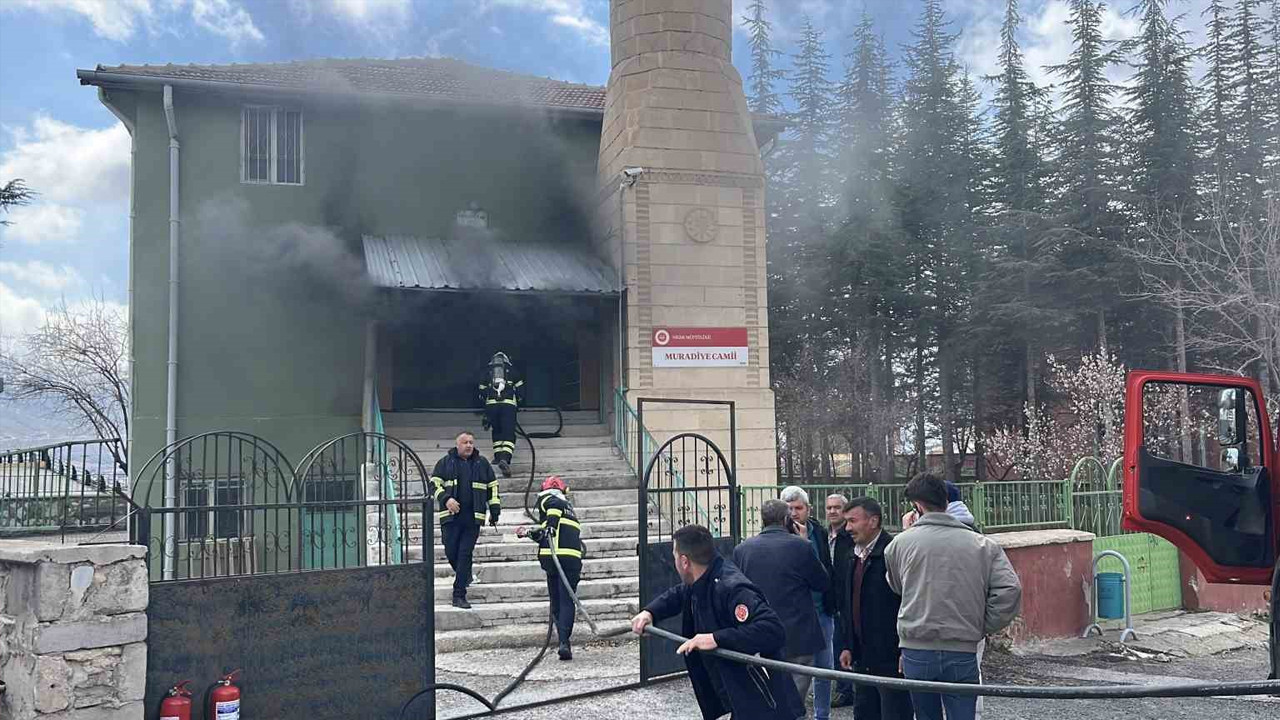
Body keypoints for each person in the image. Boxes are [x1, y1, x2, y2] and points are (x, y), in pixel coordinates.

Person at [631, 524, 805, 720]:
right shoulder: (701, 578)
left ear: (684, 561)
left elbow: (772, 629)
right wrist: (650, 612)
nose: (674, 562)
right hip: (737, 699)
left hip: (765, 701)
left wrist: (716, 638)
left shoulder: (731, 588)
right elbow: (679, 594)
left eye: (674, 556)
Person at [885, 472, 1022, 720]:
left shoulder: (898, 544)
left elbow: (896, 586)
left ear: (917, 505)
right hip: (962, 645)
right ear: (947, 503)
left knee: (925, 716)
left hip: (917, 647)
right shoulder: (982, 544)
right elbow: (1010, 590)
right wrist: (982, 625)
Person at [732, 498, 830, 704]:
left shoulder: (742, 549)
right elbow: (822, 583)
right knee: (795, 700)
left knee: (767, 699)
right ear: (787, 519)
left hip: (759, 632)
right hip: (798, 634)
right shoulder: (801, 546)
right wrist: (806, 543)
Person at [835, 497, 914, 720]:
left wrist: (903, 650)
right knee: (865, 712)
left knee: (894, 713)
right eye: (846, 521)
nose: (847, 528)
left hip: (890, 657)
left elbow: (906, 603)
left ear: (873, 521)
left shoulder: (892, 553)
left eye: (852, 521)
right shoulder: (852, 554)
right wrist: (847, 645)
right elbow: (848, 604)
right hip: (862, 656)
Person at [779, 486, 838, 720]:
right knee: (794, 670)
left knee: (824, 668)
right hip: (794, 614)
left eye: (798, 508)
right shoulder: (778, 535)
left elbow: (823, 570)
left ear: (808, 509)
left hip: (821, 610)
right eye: (789, 508)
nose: (794, 513)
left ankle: (822, 715)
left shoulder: (818, 532)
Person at [430, 431, 501, 609]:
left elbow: (492, 486)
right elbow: (433, 485)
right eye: (465, 442)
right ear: (457, 445)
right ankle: (466, 575)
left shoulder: (482, 463)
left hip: (473, 518)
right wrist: (447, 499)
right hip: (451, 518)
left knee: (464, 554)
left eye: (471, 442)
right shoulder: (445, 463)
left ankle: (459, 594)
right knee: (451, 551)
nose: (469, 445)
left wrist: (495, 509)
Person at [517, 475, 582, 660]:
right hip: (570, 560)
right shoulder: (569, 508)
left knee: (556, 600)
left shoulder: (550, 498)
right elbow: (544, 534)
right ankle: (564, 641)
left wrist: (551, 525)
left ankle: (563, 642)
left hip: (554, 558)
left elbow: (552, 510)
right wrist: (529, 533)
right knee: (566, 600)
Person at [824, 493, 855, 708]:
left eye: (837, 507)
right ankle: (842, 687)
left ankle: (846, 689)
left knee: (844, 643)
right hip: (830, 597)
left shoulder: (849, 535)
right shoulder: (822, 534)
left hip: (848, 596)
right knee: (835, 645)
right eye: (829, 508)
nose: (832, 511)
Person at [478, 351, 522, 477]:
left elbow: (481, 391)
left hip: (492, 406)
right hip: (508, 406)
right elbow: (520, 390)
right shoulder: (513, 371)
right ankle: (505, 458)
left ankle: (497, 457)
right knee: (509, 433)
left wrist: (485, 406)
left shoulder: (487, 372)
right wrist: (519, 401)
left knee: (496, 430)